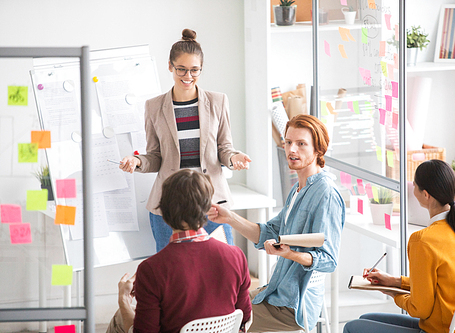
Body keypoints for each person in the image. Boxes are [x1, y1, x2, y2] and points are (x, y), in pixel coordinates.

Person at [208, 114, 345, 332]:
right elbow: (268, 233)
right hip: (276, 291)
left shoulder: (325, 193)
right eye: (288, 142)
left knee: (221, 318)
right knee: (216, 304)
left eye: (301, 144)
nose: (292, 150)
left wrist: (289, 254)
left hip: (291, 307)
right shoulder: (299, 188)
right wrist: (229, 217)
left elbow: (329, 260)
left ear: (318, 150)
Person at [119, 28, 251, 251]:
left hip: (211, 202)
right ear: (170, 66)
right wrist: (138, 162)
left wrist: (234, 158)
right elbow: (155, 156)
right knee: (170, 275)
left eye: (194, 70)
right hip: (169, 205)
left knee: (222, 267)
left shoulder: (218, 101)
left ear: (201, 69)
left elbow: (224, 148)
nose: (188, 77)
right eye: (181, 69)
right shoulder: (154, 107)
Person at [344, 159, 455, 333]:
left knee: (352, 327)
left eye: (414, 185)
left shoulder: (423, 240)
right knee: (365, 320)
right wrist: (395, 282)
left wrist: (394, 294)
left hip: (441, 330)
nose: (412, 189)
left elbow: (420, 309)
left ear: (426, 194)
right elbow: (438, 287)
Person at [106, 169, 252, 333]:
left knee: (121, 316)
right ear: (207, 208)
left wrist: (123, 300)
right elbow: (245, 316)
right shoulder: (236, 256)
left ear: (163, 212)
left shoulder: (151, 269)